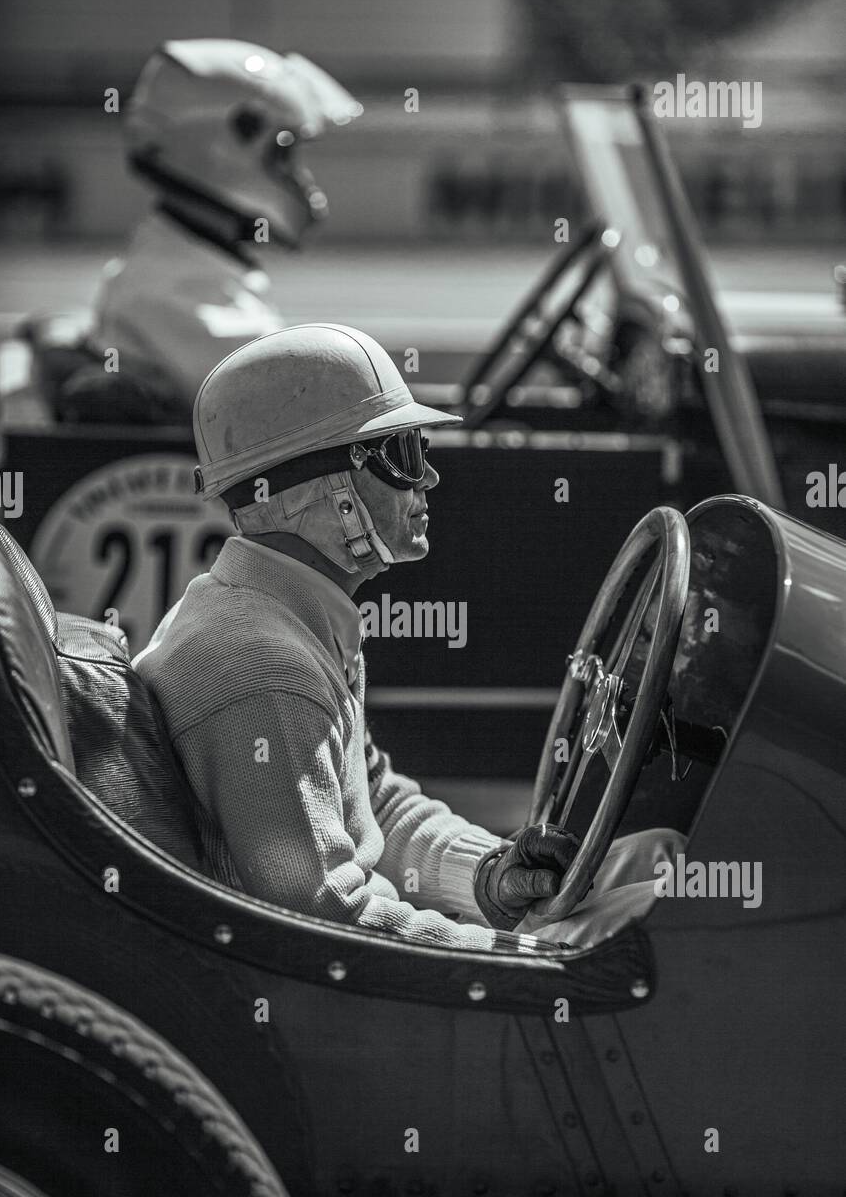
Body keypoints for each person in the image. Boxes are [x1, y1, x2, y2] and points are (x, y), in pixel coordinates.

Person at [135, 324, 678, 951]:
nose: (428, 480)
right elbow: (323, 918)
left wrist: (489, 876)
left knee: (652, 860)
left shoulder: (285, 619)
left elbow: (378, 809)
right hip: (339, 1007)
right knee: (655, 917)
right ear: (322, 489)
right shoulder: (259, 661)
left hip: (361, 975)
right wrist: (517, 956)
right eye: (400, 454)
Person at [83, 40, 362, 418]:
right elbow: (302, 411)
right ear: (221, 149)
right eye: (283, 152)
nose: (301, 178)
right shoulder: (174, 301)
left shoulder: (179, 270)